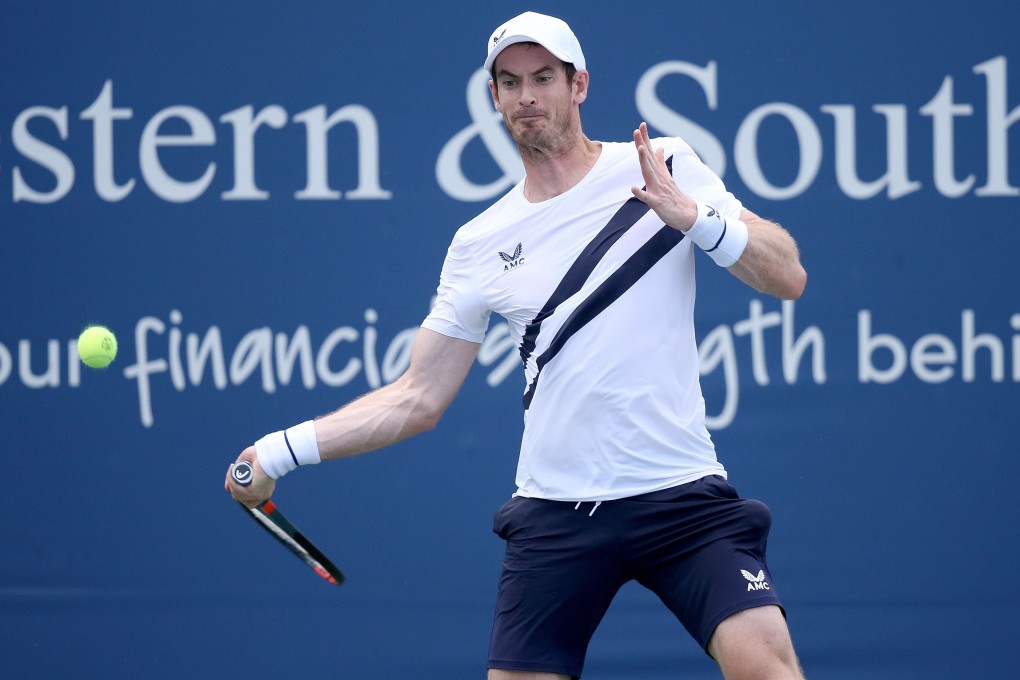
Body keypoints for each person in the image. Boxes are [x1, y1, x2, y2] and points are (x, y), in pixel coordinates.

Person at [226, 10, 807, 680]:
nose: (527, 95)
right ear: (495, 99)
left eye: (542, 77)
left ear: (578, 85)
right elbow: (417, 397)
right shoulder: (477, 244)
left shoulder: (663, 165)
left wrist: (695, 219)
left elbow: (787, 273)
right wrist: (275, 452)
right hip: (557, 516)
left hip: (682, 499)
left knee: (766, 666)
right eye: (509, 82)